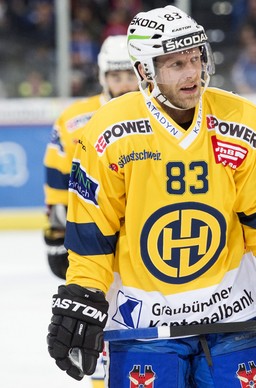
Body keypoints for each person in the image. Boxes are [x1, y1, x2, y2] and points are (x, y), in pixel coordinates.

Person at [46, 5, 256, 387]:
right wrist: (84, 298)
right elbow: (93, 236)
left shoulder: (247, 124)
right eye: (175, 64)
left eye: (195, 58)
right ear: (145, 72)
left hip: (233, 316)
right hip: (143, 325)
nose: (192, 73)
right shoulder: (106, 134)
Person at [43, 34, 138, 388]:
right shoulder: (74, 120)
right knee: (95, 328)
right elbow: (56, 178)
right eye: (115, 76)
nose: (123, 83)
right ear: (102, 77)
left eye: (129, 74)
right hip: (94, 241)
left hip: (143, 242)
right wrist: (55, 233)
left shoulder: (161, 116)